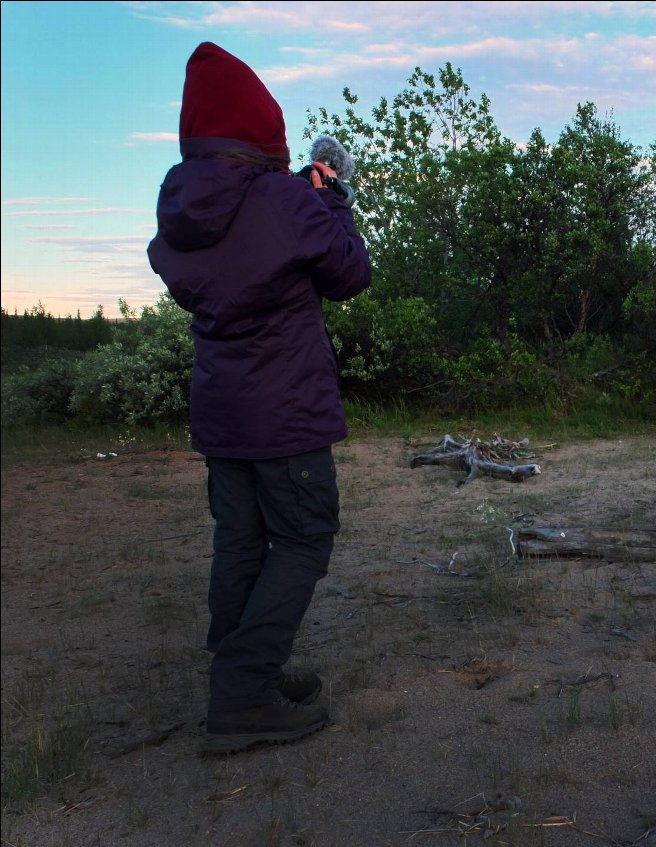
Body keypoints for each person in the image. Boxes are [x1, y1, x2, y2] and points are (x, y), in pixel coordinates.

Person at [147, 42, 372, 753]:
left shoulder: (181, 208)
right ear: (260, 127)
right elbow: (349, 272)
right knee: (304, 537)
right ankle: (245, 690)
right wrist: (331, 197)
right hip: (286, 409)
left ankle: (238, 679)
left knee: (240, 540)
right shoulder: (280, 198)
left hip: (222, 411)